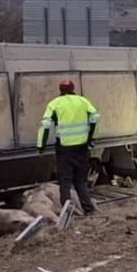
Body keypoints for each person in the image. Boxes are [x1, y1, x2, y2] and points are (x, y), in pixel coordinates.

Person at [37, 79, 100, 215]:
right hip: (82, 148)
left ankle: (67, 214)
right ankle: (89, 210)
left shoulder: (54, 104)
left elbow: (45, 126)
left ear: (60, 90)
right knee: (80, 181)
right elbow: (95, 117)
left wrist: (41, 146)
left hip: (64, 149)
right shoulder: (83, 101)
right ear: (73, 88)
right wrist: (91, 139)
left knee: (65, 182)